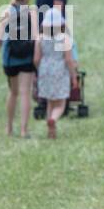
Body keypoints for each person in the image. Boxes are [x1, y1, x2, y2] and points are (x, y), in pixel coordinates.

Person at [0, 0, 39, 138]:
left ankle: (9, 128)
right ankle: (24, 130)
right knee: (25, 93)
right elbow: (36, 37)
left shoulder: (7, 11)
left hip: (10, 58)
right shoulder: (32, 12)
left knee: (13, 92)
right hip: (27, 58)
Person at [34, 8, 78, 139]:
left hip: (45, 70)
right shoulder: (65, 39)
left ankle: (51, 131)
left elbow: (36, 59)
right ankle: (53, 119)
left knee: (50, 102)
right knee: (60, 103)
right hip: (59, 70)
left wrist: (39, 70)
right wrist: (73, 76)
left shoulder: (40, 38)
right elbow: (69, 59)